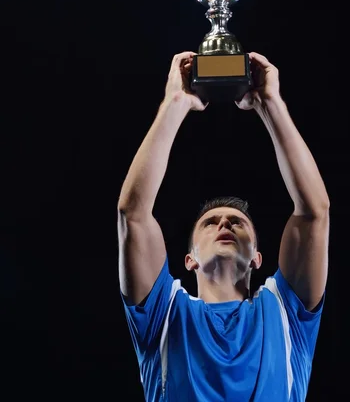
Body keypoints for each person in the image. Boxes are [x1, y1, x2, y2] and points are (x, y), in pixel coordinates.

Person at [117, 51, 330, 402]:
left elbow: (314, 213)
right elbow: (133, 214)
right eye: (210, 223)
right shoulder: (164, 314)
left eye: (238, 222)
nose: (225, 223)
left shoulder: (285, 313)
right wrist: (176, 103)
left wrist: (270, 103)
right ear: (189, 260)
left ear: (257, 258)